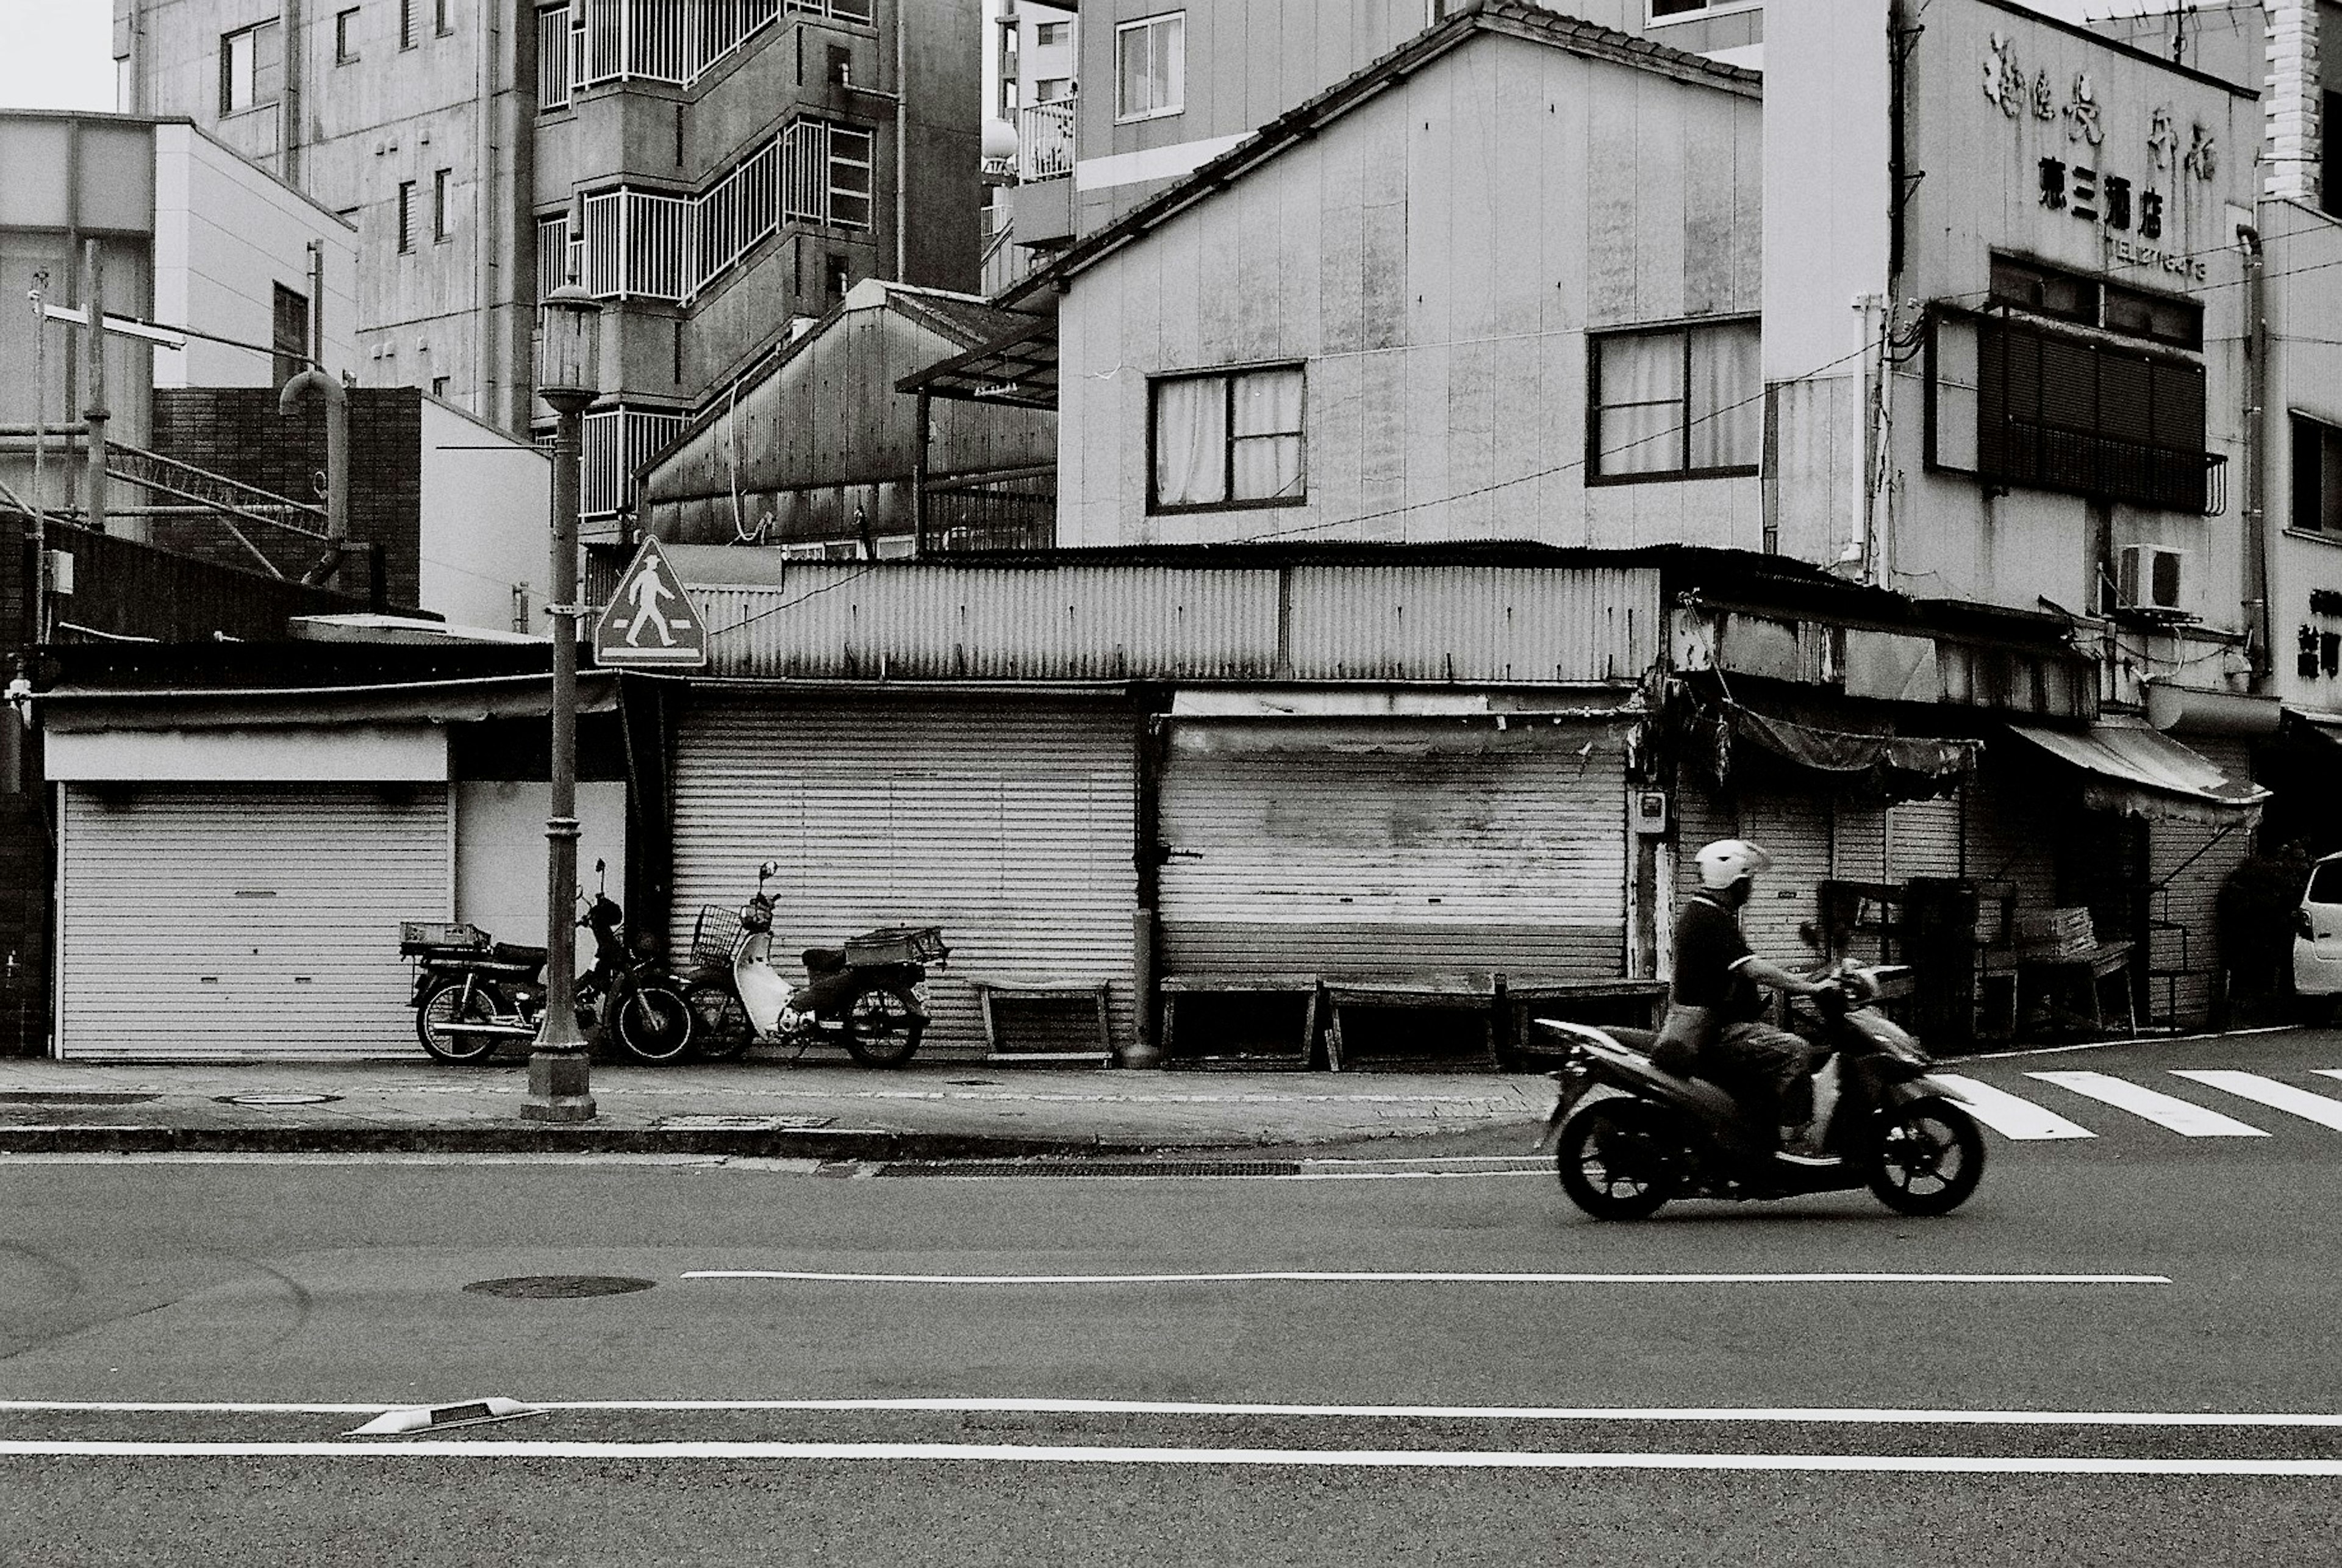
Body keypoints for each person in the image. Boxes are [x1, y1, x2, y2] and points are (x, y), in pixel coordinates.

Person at [1658, 839, 1832, 1162]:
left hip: (1715, 1026)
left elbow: (1745, 964)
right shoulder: (1710, 919)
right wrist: (1806, 988)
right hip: (1717, 1032)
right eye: (1747, 881)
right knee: (1796, 1050)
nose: (1749, 889)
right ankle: (1792, 1141)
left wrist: (1804, 979)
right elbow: (1752, 968)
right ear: (1733, 880)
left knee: (1772, 1047)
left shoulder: (1707, 913)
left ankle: (1758, 1130)